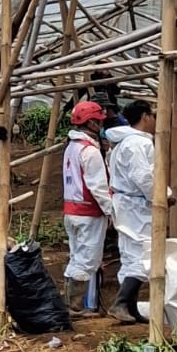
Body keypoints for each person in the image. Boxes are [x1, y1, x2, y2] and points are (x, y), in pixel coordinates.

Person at [105, 100, 173, 324]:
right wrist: (161, 196)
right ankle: (122, 302)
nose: (154, 119)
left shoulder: (125, 143)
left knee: (132, 252)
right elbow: (143, 176)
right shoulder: (136, 144)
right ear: (145, 116)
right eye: (152, 115)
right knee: (145, 252)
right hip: (134, 206)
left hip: (128, 203)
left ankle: (130, 308)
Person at [62, 99, 115, 316]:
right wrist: (112, 212)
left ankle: (74, 303)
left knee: (77, 256)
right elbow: (98, 187)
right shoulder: (90, 152)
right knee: (87, 260)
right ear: (91, 123)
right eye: (98, 121)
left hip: (72, 211)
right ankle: (75, 306)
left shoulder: (71, 147)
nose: (101, 126)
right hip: (88, 213)